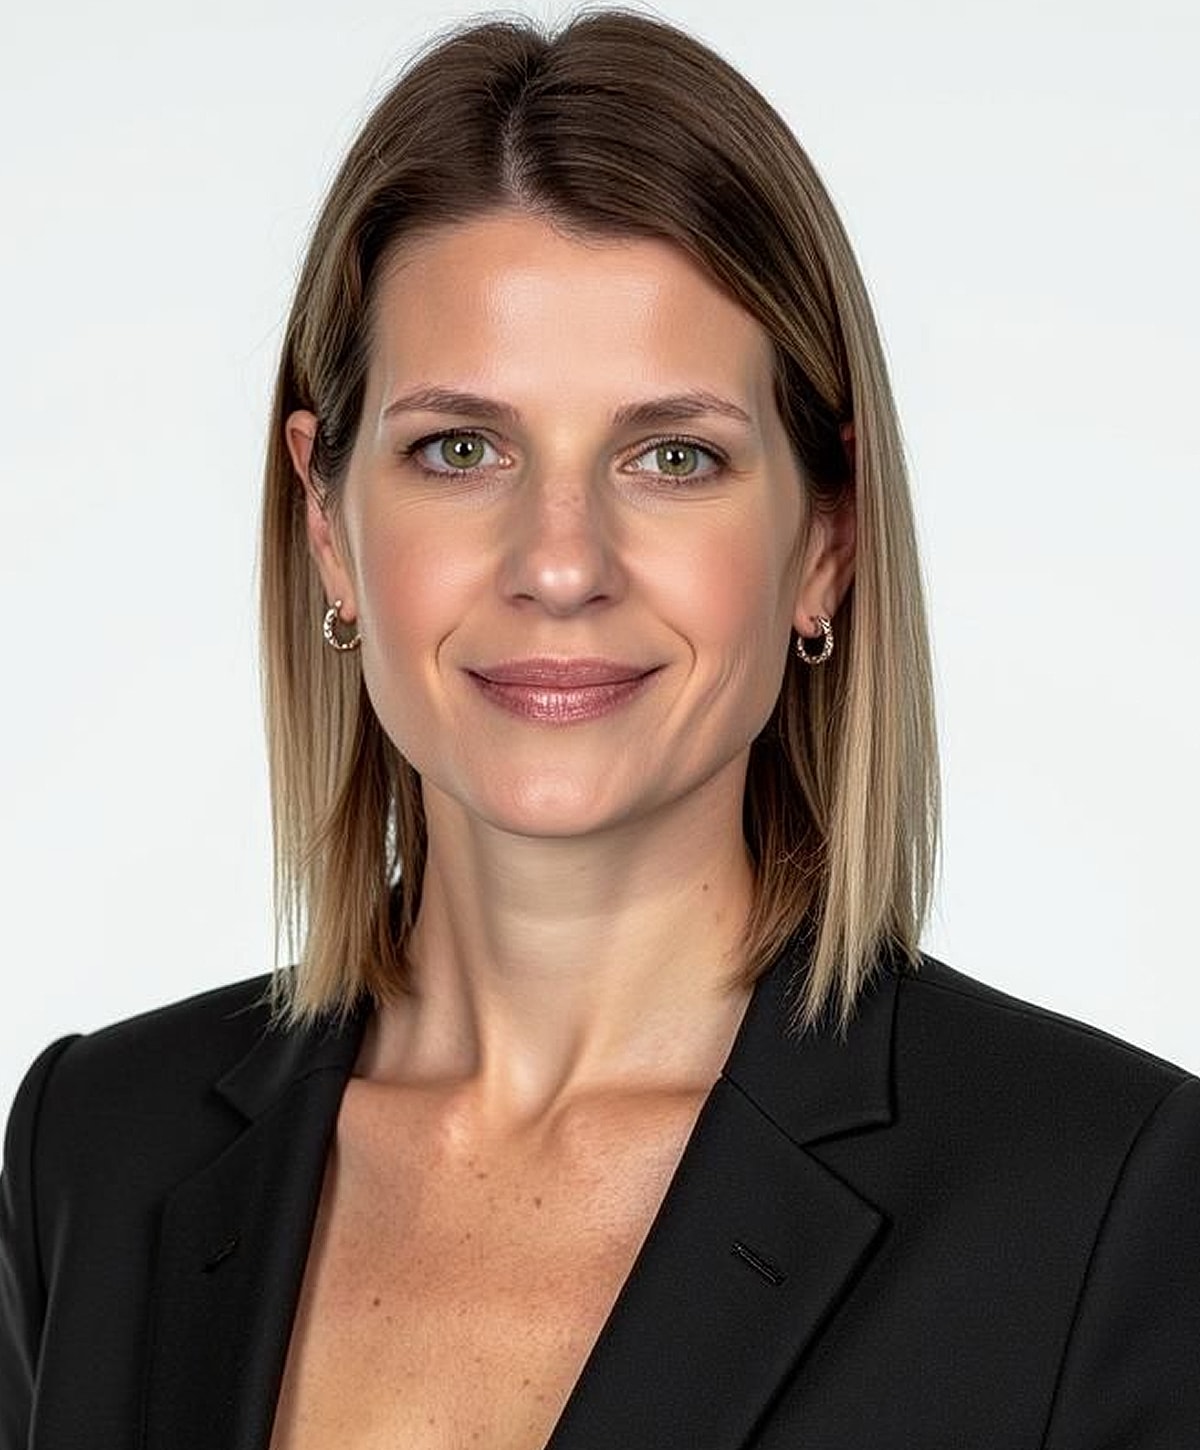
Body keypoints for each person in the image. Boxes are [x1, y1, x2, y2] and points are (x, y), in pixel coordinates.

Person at [2, 10, 1197, 1448]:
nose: (560, 561)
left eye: (673, 455)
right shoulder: (95, 1149)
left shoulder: (1101, 1197)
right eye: (460, 448)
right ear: (327, 520)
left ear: (826, 535)